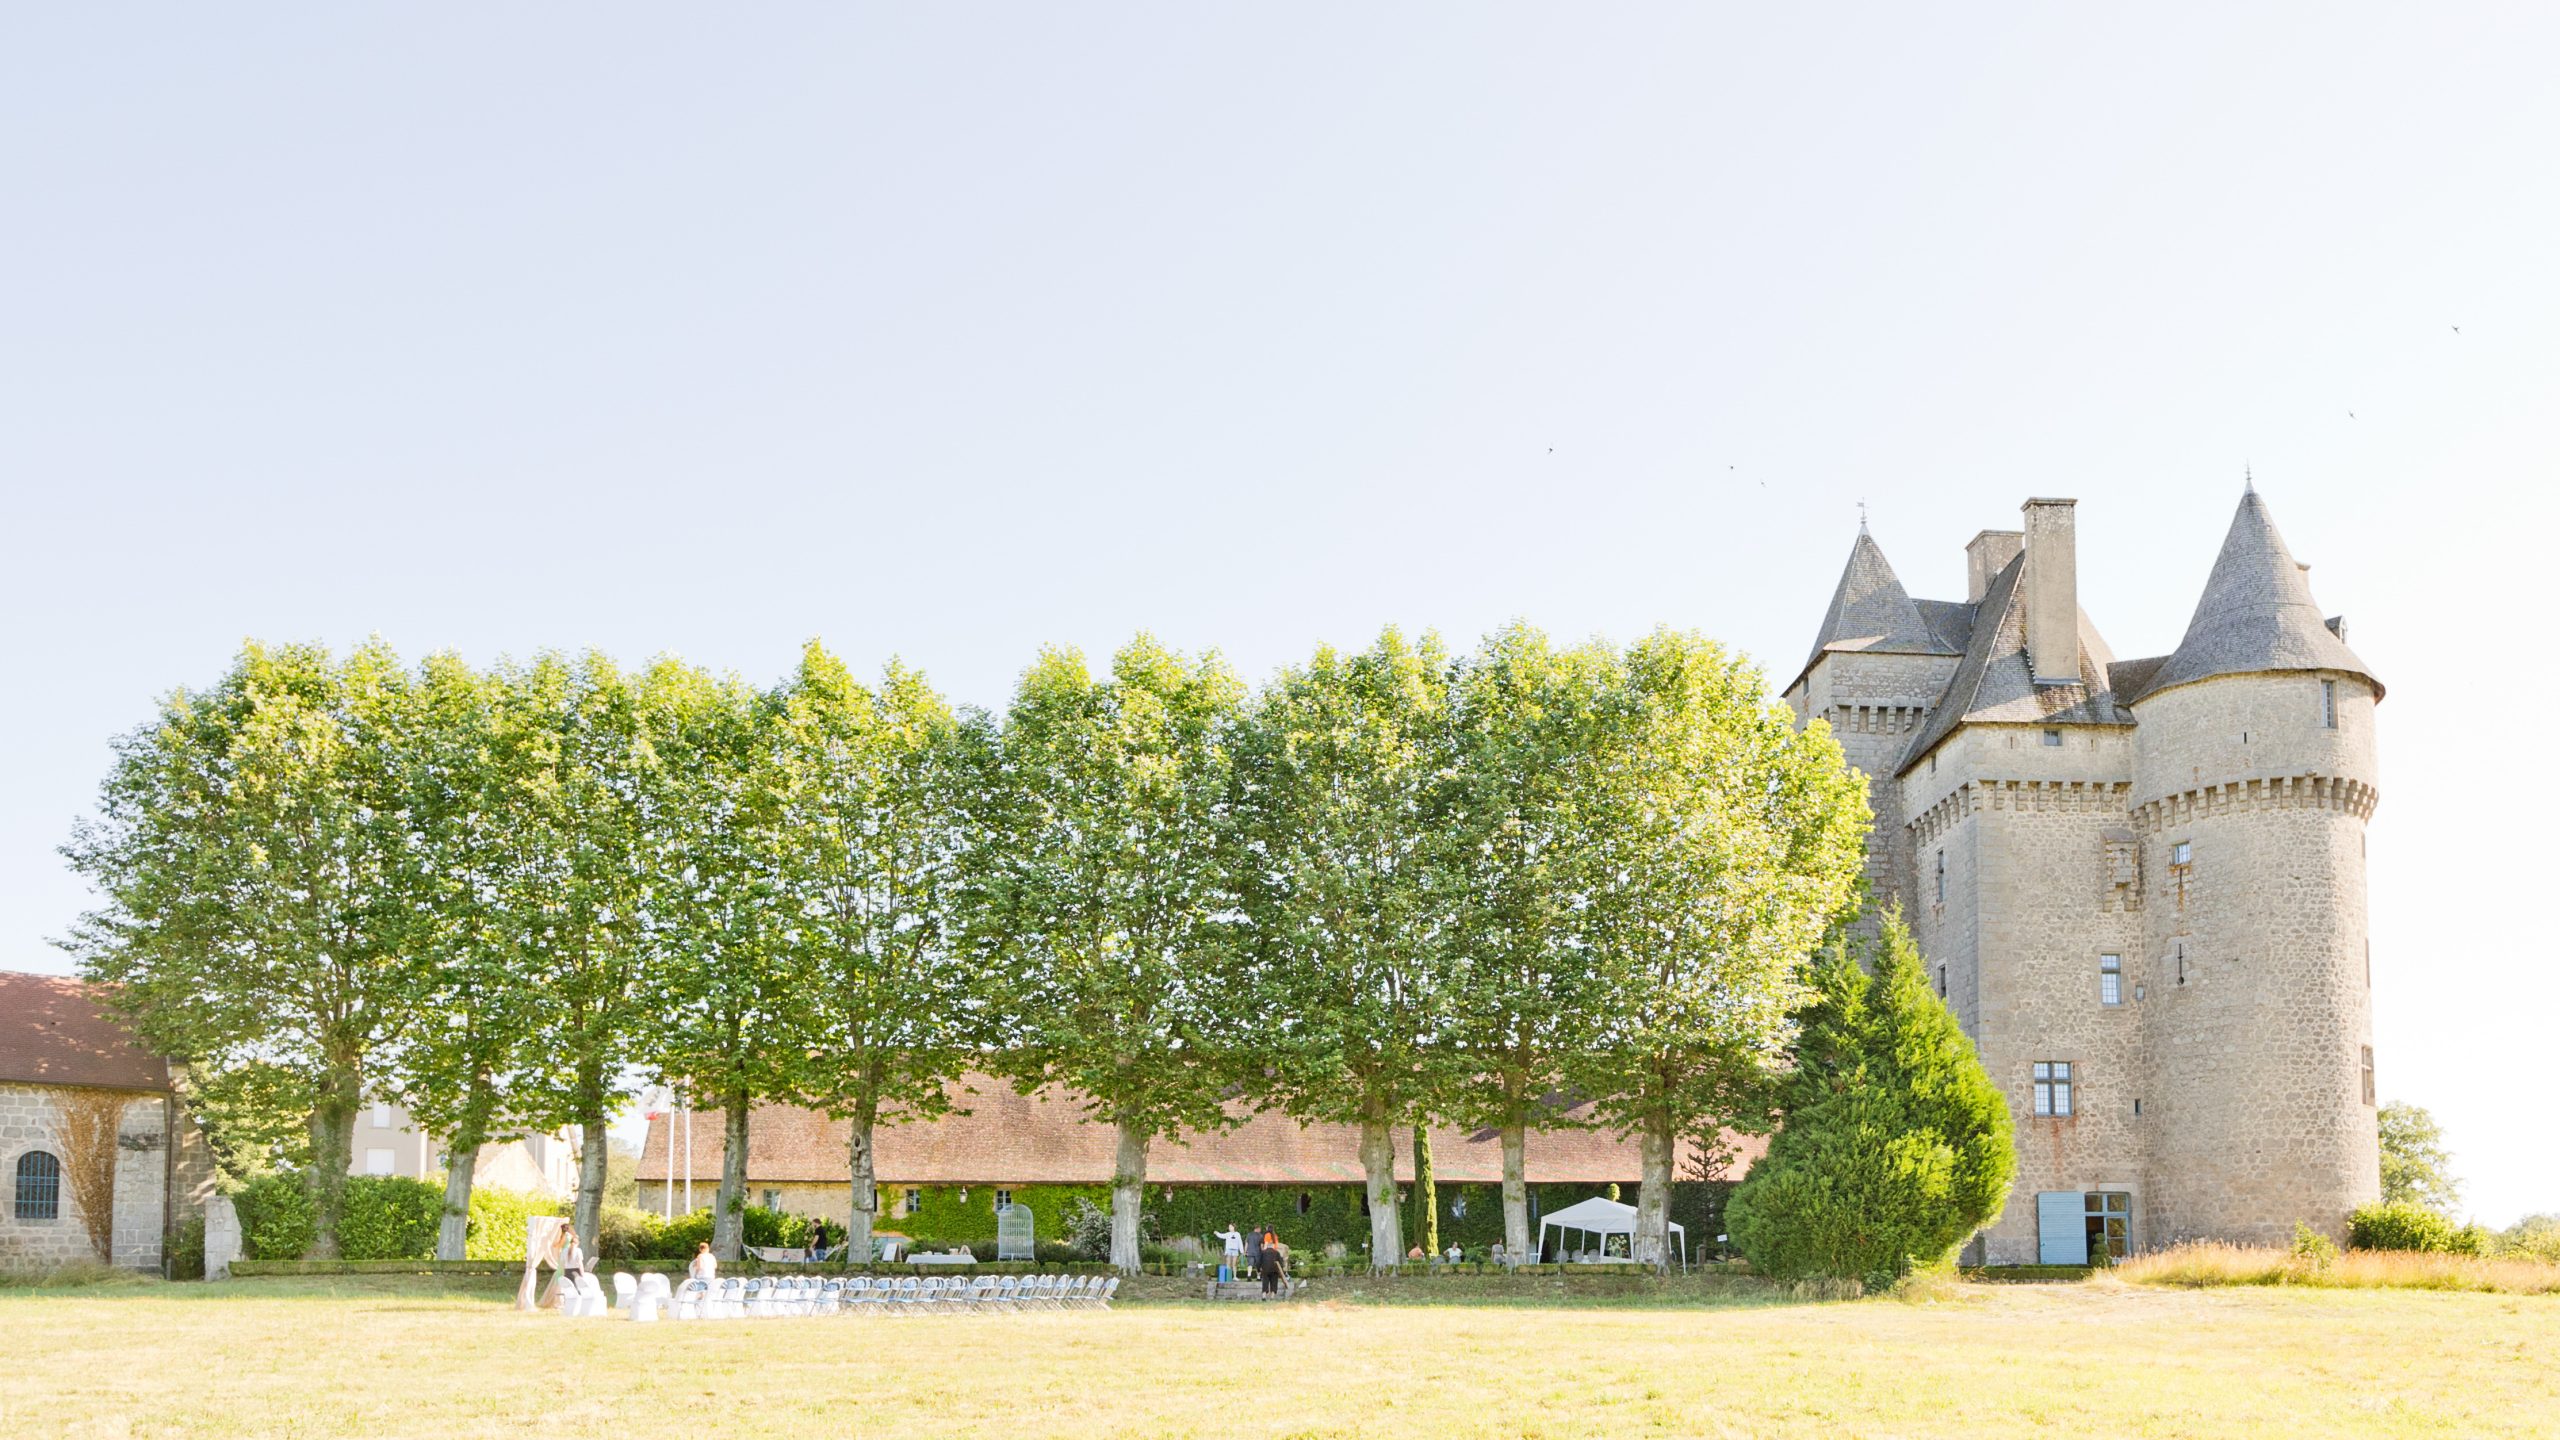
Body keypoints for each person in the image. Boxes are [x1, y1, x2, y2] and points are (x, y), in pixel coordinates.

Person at [1257, 1230, 1286, 1298]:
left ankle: (1264, 1296)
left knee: (1265, 1283)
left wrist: (1258, 1270)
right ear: (1273, 1245)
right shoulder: (1276, 1253)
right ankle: (1272, 1297)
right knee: (1274, 1283)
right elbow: (1281, 1263)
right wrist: (1282, 1271)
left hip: (1265, 1270)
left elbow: (1258, 1262)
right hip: (1274, 1270)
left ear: (1267, 1245)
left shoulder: (1263, 1252)